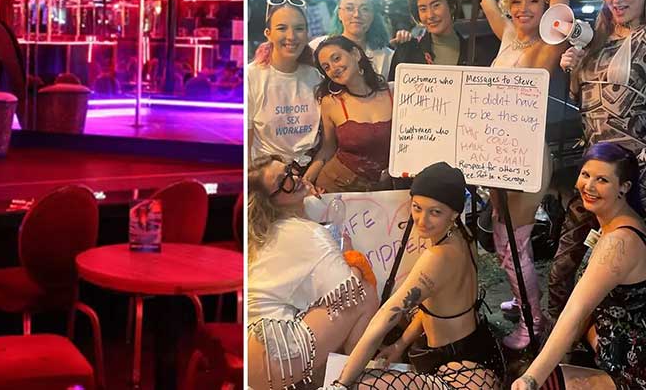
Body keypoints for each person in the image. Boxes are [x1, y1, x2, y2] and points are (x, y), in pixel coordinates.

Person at [470, 0, 577, 349]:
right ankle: (524, 301)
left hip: (528, 155)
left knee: (512, 245)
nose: (522, 8)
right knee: (502, 239)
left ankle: (534, 325)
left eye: (534, 2)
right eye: (519, 1)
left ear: (548, 10)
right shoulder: (510, 38)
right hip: (498, 151)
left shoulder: (549, 44)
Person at [321, 162, 504, 390]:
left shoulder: (438, 257)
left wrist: (340, 385)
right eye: (417, 207)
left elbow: (384, 318)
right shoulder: (463, 235)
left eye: (435, 212)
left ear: (454, 212)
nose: (422, 220)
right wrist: (400, 344)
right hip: (476, 352)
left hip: (463, 373)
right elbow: (433, 305)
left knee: (359, 384)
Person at [547, 0, 646, 332]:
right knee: (567, 260)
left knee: (627, 268)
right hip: (592, 174)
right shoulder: (596, 37)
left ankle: (622, 347)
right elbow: (581, 101)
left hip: (636, 178)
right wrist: (572, 66)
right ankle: (559, 340)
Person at [512, 143, 646, 390]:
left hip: (630, 371)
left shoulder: (619, 242)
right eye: (586, 175)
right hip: (610, 351)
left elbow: (575, 310)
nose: (589, 186)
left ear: (624, 188)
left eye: (602, 180)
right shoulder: (613, 222)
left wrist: (531, 380)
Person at [248, 155, 380, 390]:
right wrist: (352, 259)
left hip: (252, 347)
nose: (295, 178)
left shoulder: (265, 230)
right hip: (272, 352)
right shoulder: (307, 234)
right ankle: (355, 380)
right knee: (365, 293)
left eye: (290, 170)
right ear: (271, 201)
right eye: (284, 181)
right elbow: (349, 290)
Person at [303, 36, 394, 193]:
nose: (333, 68)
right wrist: (306, 181)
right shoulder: (330, 102)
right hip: (338, 185)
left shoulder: (393, 92)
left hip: (386, 189)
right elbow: (327, 148)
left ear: (356, 54)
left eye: (336, 58)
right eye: (326, 67)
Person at [248, 0, 321, 165]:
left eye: (299, 29)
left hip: (311, 170)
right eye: (282, 28)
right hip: (270, 175)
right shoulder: (252, 77)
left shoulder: (315, 76)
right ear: (268, 33)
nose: (291, 36)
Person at [387, 0, 467, 81]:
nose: (430, 15)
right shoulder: (406, 53)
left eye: (436, 5)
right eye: (423, 9)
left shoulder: (475, 51)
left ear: (452, 6)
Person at [310, 0, 398, 79]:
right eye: (349, 8)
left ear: (373, 16)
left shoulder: (387, 56)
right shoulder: (315, 47)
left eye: (365, 9)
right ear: (339, 14)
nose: (357, 15)